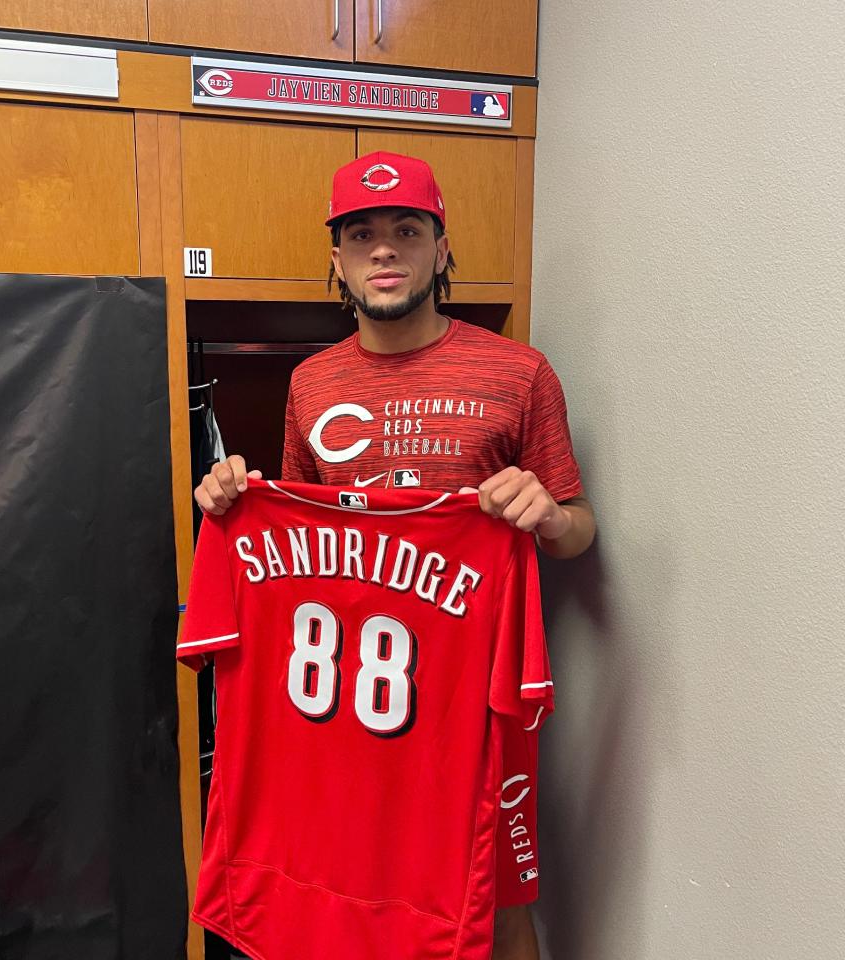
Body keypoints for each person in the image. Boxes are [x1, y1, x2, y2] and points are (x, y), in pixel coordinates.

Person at [194, 151, 596, 960]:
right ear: (337, 260)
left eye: (407, 231)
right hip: (353, 708)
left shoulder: (518, 372)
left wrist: (546, 516)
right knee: (359, 897)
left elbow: (581, 528)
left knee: (497, 902)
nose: (385, 250)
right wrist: (234, 499)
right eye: (362, 234)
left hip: (473, 700)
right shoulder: (311, 382)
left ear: (441, 250)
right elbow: (301, 524)